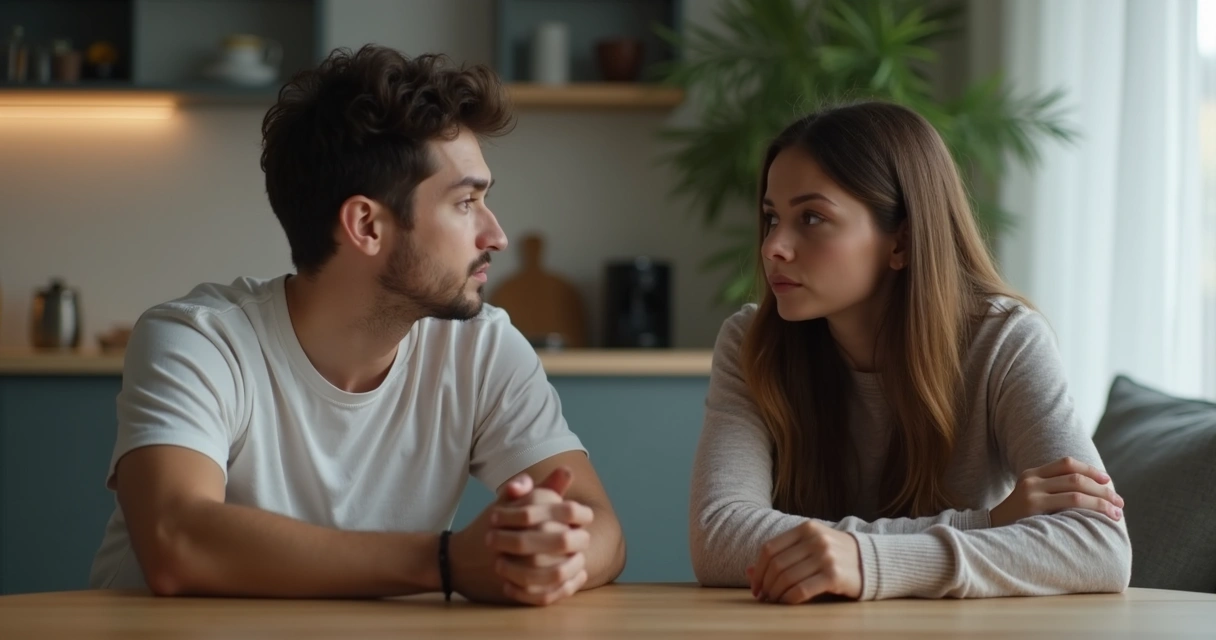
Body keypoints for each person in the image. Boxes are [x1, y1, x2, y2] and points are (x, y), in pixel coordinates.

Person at [88, 45, 626, 606]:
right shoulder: (200, 341)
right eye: (466, 202)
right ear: (367, 225)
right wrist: (446, 562)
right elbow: (178, 541)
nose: (497, 235)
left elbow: (603, 531)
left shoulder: (483, 348)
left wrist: (548, 556)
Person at [689, 101, 1132, 604]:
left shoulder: (1005, 341)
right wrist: (984, 523)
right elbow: (720, 537)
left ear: (901, 240)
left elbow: (1099, 546)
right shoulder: (752, 342)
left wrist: (866, 561)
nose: (773, 246)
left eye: (811, 217)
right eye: (772, 217)